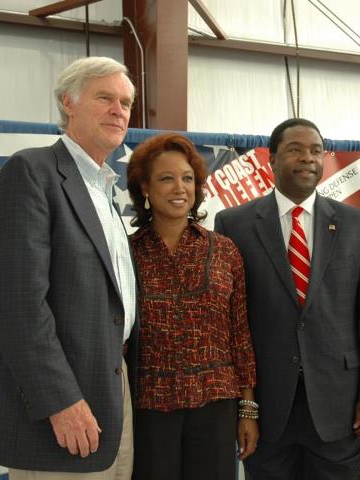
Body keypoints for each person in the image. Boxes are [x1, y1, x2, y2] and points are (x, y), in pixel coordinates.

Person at [0, 57, 138, 478]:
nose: (118, 110)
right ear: (67, 103)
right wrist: (60, 402)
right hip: (61, 410)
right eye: (104, 97)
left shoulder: (104, 190)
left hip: (112, 392)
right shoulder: (31, 172)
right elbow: (18, 307)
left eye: (124, 102)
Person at [214, 118, 360, 480]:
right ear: (272, 160)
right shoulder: (234, 224)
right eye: (295, 149)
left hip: (338, 406)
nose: (307, 158)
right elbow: (230, 323)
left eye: (315, 151)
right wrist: (244, 405)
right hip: (266, 407)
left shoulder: (356, 224)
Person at [125, 133, 258, 479]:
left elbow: (240, 335)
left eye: (187, 179)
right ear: (145, 189)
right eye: (166, 179)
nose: (179, 188)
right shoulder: (125, 252)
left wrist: (248, 409)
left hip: (215, 405)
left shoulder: (225, 251)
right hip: (149, 406)